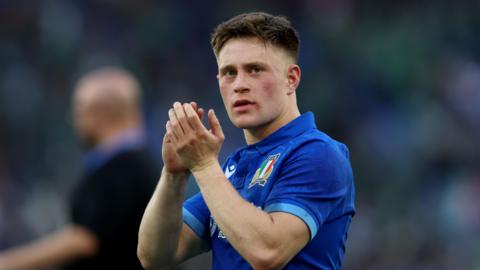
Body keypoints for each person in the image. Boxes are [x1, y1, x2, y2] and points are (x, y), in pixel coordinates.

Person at [137, 12, 355, 270]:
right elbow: (155, 255)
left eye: (255, 69)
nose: (240, 84)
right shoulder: (233, 168)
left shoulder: (318, 153)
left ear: (292, 78)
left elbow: (268, 253)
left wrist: (205, 166)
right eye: (229, 72)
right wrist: (174, 174)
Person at [0, 67, 158, 270]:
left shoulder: (124, 167)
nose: (73, 119)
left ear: (102, 114)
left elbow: (85, 239)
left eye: (79, 110)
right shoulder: (134, 163)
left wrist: (8, 263)